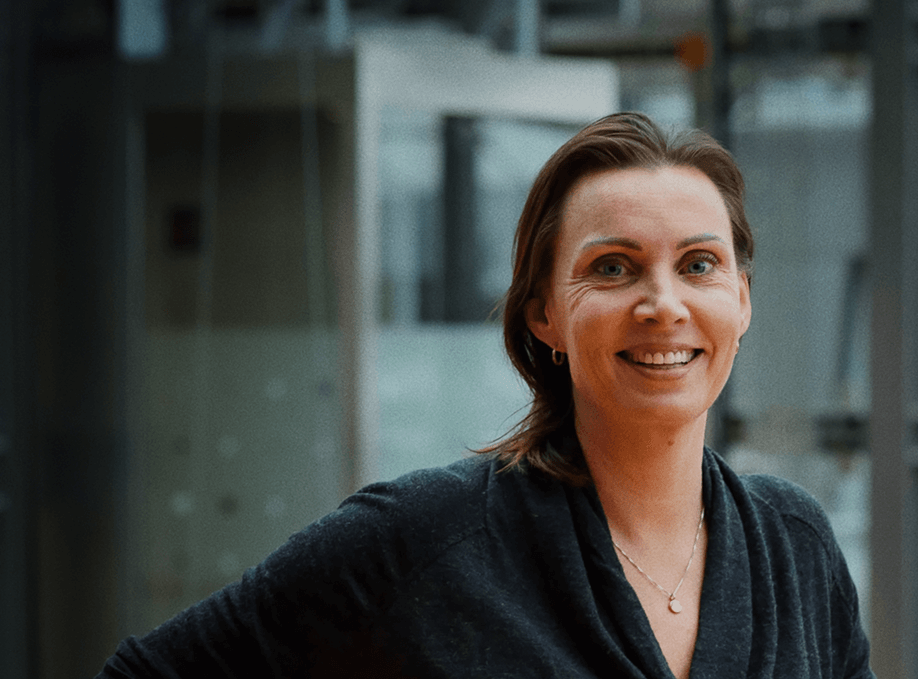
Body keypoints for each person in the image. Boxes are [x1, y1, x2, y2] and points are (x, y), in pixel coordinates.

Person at [98, 112, 872, 678]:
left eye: (698, 264)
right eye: (612, 267)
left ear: (741, 298)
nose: (662, 303)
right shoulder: (425, 539)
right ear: (544, 312)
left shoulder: (793, 543)